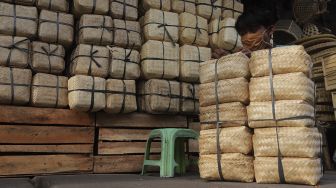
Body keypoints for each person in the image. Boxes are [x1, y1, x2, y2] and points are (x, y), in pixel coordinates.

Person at [212, 8, 278, 58]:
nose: (248, 37)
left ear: (270, 30)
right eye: (243, 33)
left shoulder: (280, 54)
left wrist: (254, 58)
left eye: (253, 30)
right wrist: (229, 59)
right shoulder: (243, 56)